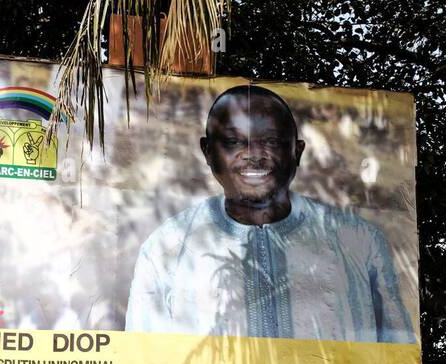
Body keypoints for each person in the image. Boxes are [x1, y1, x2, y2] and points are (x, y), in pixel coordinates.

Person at [125, 85, 416, 344]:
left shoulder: (359, 242)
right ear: (207, 151)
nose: (254, 154)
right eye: (234, 141)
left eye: (272, 142)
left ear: (297, 152)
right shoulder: (167, 247)